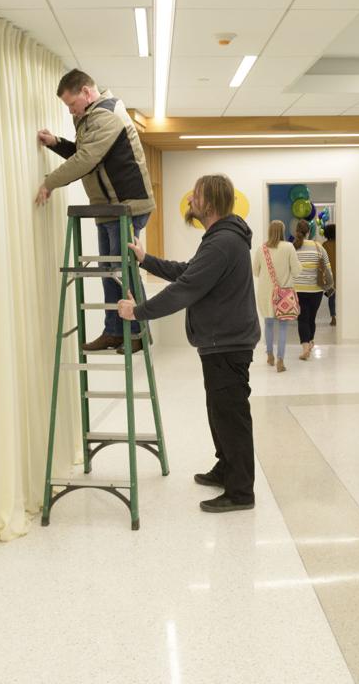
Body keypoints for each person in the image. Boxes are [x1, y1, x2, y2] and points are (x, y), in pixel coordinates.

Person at [117, 174, 261, 513]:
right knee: (219, 412)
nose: (190, 200)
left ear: (210, 203)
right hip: (221, 341)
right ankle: (226, 468)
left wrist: (138, 312)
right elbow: (189, 272)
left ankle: (241, 492)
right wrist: (147, 259)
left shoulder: (222, 242)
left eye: (196, 195)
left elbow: (184, 289)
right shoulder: (220, 238)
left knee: (231, 417)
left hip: (227, 343)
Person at [36, 69, 155, 354]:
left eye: (71, 103)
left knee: (122, 271)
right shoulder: (89, 116)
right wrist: (56, 143)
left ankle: (138, 333)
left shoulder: (107, 115)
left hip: (127, 206)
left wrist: (49, 183)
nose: (70, 110)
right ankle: (114, 331)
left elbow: (86, 159)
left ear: (87, 92)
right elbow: (84, 152)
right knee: (109, 271)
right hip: (109, 207)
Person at [251, 220, 299, 372]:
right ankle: (280, 360)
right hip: (283, 294)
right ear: (282, 231)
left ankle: (270, 355)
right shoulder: (289, 247)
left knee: (269, 324)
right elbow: (297, 271)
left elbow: (255, 271)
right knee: (283, 327)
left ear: (270, 231)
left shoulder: (262, 249)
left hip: (266, 293)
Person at [291, 219, 333, 361]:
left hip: (298, 289)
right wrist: (329, 284)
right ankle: (309, 343)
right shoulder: (318, 246)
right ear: (309, 232)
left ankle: (305, 347)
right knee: (311, 318)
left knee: (302, 319)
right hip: (316, 290)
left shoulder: (293, 248)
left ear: (296, 231)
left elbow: (289, 268)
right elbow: (327, 267)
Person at [321, 223, 338, 327]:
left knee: (331, 298)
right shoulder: (340, 244)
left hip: (330, 276)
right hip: (340, 275)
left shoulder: (324, 245)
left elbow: (322, 261)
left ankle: (333, 317)